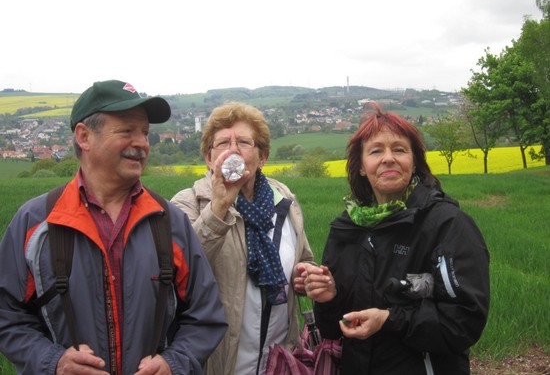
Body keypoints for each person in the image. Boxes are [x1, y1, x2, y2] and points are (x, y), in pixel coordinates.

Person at [0, 80, 227, 375]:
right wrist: (52, 362)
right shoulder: (36, 222)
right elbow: (7, 315)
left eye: (144, 132)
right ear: (84, 136)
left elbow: (206, 315)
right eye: (127, 131)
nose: (142, 143)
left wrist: (174, 363)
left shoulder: (169, 222)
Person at [302, 102, 490, 374]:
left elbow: (464, 321)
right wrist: (329, 298)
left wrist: (389, 320)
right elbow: (332, 328)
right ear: (362, 167)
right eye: (376, 150)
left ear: (414, 163)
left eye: (399, 149)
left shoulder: (447, 225)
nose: (388, 158)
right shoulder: (346, 229)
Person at [170, 101, 315, 375]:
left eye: (244, 142)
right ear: (209, 158)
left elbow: (302, 258)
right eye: (223, 143)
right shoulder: (186, 204)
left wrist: (307, 274)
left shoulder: (284, 199)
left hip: (278, 363)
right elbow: (181, 273)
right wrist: (219, 208)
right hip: (218, 364)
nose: (233, 150)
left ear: (262, 157)